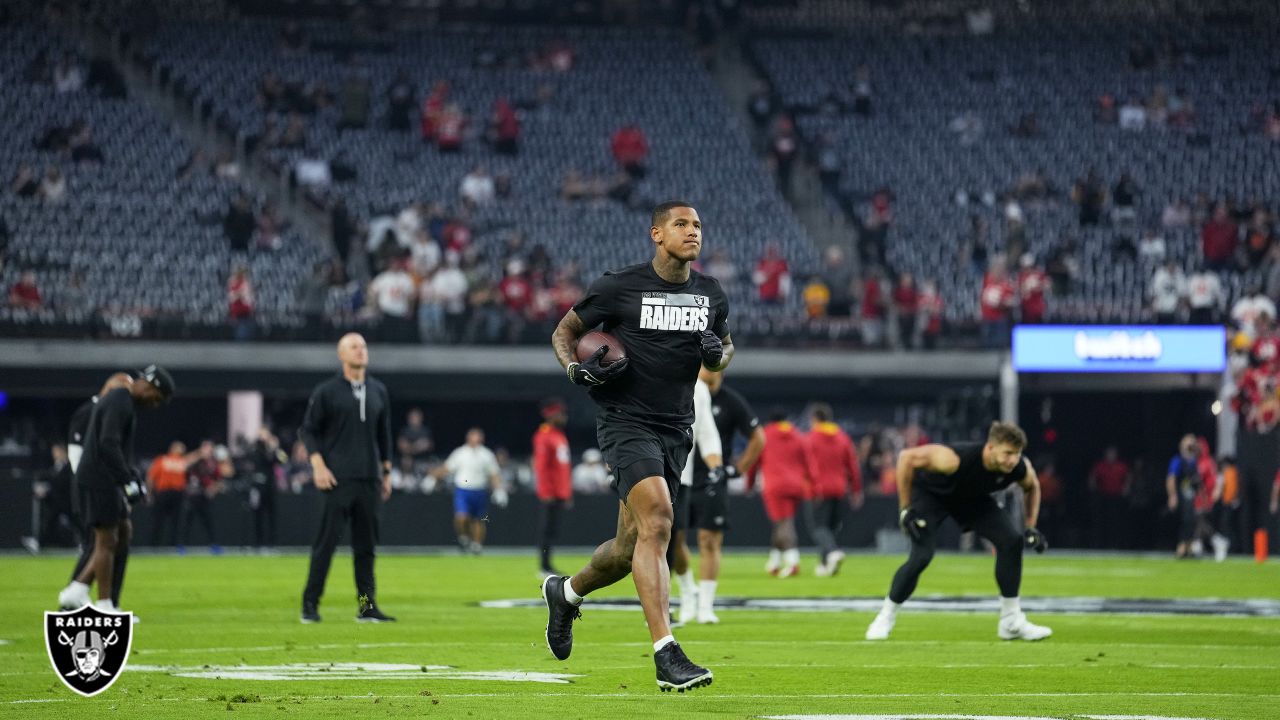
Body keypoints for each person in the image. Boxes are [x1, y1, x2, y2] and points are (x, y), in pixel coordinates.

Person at [542, 200, 732, 692]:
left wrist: (719, 355)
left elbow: (725, 352)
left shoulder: (711, 293)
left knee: (629, 549)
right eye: (681, 224)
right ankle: (666, 653)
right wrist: (573, 368)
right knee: (661, 521)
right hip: (625, 421)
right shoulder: (618, 286)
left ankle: (565, 593)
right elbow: (565, 332)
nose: (693, 232)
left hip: (676, 428)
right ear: (656, 233)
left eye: (698, 225)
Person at [866, 422, 1052, 642]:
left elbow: (1032, 486)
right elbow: (906, 457)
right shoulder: (952, 459)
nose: (1012, 460)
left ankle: (1011, 620)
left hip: (970, 499)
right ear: (990, 447)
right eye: (1008, 453)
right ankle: (885, 616)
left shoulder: (1018, 467)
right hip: (932, 496)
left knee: (1012, 540)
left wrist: (1031, 526)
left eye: (1017, 453)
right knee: (921, 556)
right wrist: (905, 509)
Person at [56, 366, 174, 614]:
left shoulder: (124, 401)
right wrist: (127, 479)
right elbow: (108, 443)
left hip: (105, 477)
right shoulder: (121, 399)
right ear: (149, 385)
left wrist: (130, 477)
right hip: (101, 477)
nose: (155, 404)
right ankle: (105, 605)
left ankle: (77, 589)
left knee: (123, 531)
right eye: (157, 398)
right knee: (106, 540)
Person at [299, 333, 396, 623]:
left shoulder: (378, 390)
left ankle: (366, 607)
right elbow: (309, 430)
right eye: (354, 347)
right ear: (341, 355)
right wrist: (318, 466)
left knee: (366, 549)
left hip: (369, 480)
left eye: (364, 346)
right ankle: (310, 604)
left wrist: (387, 472)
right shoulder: (327, 391)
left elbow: (384, 435)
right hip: (337, 480)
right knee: (325, 545)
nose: (361, 351)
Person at [687, 366, 763, 623]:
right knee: (672, 541)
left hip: (712, 476)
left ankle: (705, 605)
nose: (708, 387)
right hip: (681, 474)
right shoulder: (684, 393)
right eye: (704, 381)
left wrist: (737, 469)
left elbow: (757, 437)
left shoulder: (731, 401)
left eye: (713, 381)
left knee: (709, 540)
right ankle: (688, 591)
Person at [58, 373, 134, 609]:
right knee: (98, 543)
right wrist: (88, 487)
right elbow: (75, 454)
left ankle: (105, 599)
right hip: (93, 486)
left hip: (109, 486)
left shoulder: (115, 410)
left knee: (117, 540)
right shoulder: (88, 411)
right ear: (109, 388)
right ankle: (76, 597)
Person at [670, 373, 724, 626]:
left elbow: (706, 432)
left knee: (674, 539)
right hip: (647, 470)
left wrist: (716, 468)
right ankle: (669, 601)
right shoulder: (653, 373)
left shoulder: (699, 388)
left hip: (682, 475)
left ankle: (685, 591)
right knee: (653, 538)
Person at [754, 410, 815, 577]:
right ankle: (774, 562)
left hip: (775, 485)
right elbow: (809, 462)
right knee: (780, 522)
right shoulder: (797, 435)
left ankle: (793, 561)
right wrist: (812, 482)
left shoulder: (765, 434)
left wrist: (749, 482)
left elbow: (754, 459)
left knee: (784, 524)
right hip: (796, 486)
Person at [805, 403, 862, 576]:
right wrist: (856, 490)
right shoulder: (843, 438)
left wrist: (811, 487)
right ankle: (824, 565)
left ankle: (832, 552)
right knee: (829, 528)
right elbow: (853, 466)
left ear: (814, 419)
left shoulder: (811, 438)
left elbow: (807, 466)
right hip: (839, 488)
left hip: (819, 489)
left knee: (818, 528)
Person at [440, 428, 506, 554]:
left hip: (480, 490)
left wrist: (499, 490)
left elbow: (494, 473)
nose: (477, 439)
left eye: (479, 436)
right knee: (461, 517)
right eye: (474, 436)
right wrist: (433, 478)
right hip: (463, 490)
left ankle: (476, 545)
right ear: (468, 438)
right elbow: (447, 468)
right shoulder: (460, 453)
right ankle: (463, 537)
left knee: (479, 520)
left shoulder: (487, 454)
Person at [533, 399, 572, 575]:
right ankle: (543, 565)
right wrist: (546, 491)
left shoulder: (558, 435)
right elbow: (541, 467)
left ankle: (548, 564)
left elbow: (562, 469)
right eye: (560, 414)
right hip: (549, 493)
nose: (564, 417)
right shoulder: (544, 436)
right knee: (546, 530)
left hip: (559, 492)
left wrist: (566, 492)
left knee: (552, 530)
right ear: (551, 415)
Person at [1166, 435, 1212, 559]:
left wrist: (1203, 498)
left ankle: (1189, 546)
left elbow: (1198, 482)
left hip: (1191, 497)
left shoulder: (1194, 462)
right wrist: (1172, 495)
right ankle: (1181, 546)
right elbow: (1171, 478)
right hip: (1181, 495)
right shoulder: (1178, 460)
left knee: (1192, 521)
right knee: (1184, 520)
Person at [181, 441, 228, 554]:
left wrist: (213, 489)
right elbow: (184, 464)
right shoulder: (195, 459)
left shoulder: (213, 463)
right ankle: (182, 546)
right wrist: (199, 455)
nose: (207, 451)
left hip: (204, 496)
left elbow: (220, 480)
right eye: (205, 448)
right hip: (192, 495)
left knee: (208, 522)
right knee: (187, 522)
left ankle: (214, 545)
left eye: (209, 449)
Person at [145, 441, 193, 547]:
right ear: (173, 448)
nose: (182, 450)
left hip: (177, 493)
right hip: (164, 492)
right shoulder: (162, 459)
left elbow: (191, 459)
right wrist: (149, 493)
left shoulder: (182, 461)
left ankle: (172, 546)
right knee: (158, 521)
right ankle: (154, 545)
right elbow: (151, 478)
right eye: (180, 447)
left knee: (176, 522)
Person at [1087, 446, 1132, 550]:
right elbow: (1093, 477)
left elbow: (1129, 477)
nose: (1111, 456)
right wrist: (1094, 489)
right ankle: (1099, 544)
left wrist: (1126, 488)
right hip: (1103, 496)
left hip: (1117, 497)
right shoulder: (1100, 465)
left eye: (1113, 454)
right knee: (1101, 522)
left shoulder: (1121, 466)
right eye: (1109, 453)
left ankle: (1115, 543)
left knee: (1116, 521)